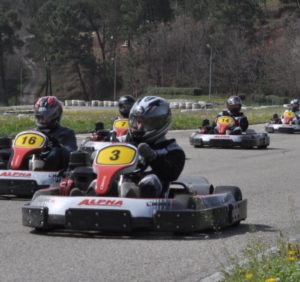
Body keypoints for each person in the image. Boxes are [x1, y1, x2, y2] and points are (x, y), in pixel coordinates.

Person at [121, 96, 186, 198]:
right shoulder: (126, 142)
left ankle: (132, 196)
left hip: (153, 200)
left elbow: (172, 174)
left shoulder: (172, 150)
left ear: (160, 123)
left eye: (145, 122)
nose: (139, 127)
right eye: (138, 121)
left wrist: (153, 157)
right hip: (122, 183)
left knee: (150, 181)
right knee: (102, 182)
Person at [34, 96, 77, 171]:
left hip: (56, 170)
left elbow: (71, 153)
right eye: (40, 116)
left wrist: (57, 145)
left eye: (47, 116)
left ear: (55, 116)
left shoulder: (66, 133)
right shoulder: (33, 133)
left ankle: (43, 172)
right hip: (31, 163)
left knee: (56, 151)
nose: (43, 120)